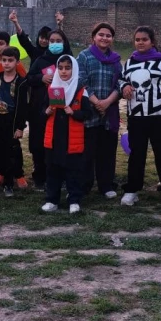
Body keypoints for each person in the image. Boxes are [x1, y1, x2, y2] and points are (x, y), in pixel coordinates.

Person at [119, 26, 161, 206]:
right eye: (137, 39)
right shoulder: (130, 62)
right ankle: (132, 189)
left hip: (160, 117)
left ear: (152, 42)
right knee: (136, 154)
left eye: (144, 39)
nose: (140, 42)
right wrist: (124, 87)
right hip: (136, 116)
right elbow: (122, 79)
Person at [41, 55, 94, 214]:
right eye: (61, 68)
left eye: (68, 68)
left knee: (73, 171)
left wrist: (74, 113)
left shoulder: (81, 90)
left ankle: (74, 200)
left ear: (74, 69)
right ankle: (52, 200)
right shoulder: (52, 89)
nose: (64, 71)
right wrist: (47, 111)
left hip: (72, 139)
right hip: (54, 138)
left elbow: (88, 114)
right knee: (53, 170)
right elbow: (41, 112)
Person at [77, 22, 122, 200]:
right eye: (101, 35)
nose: (104, 38)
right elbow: (81, 81)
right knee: (87, 151)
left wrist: (108, 102)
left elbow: (121, 83)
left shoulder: (117, 60)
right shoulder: (84, 56)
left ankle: (106, 185)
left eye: (108, 35)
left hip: (109, 113)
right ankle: (85, 184)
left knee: (107, 151)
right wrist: (97, 102)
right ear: (93, 37)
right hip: (89, 111)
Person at [22, 28, 71, 189]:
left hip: (62, 109)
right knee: (39, 142)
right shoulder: (40, 60)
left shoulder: (69, 61)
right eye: (52, 41)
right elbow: (28, 78)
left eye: (58, 41)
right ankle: (39, 177)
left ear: (64, 43)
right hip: (39, 109)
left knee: (60, 142)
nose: (55, 44)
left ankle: (61, 176)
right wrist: (41, 78)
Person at [0, 46, 27, 196]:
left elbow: (22, 107)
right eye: (4, 60)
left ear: (17, 62)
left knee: (10, 152)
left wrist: (20, 127)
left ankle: (9, 184)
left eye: (10, 60)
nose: (7, 63)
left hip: (11, 121)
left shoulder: (21, 82)